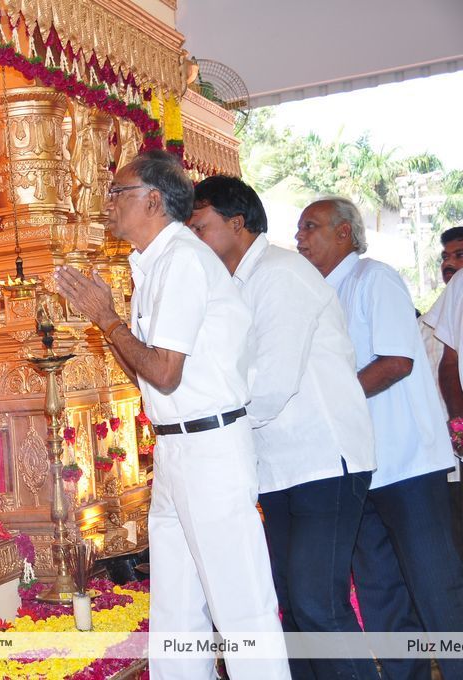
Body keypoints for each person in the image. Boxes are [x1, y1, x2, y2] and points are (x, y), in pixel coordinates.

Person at [55, 151, 290, 680]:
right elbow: (146, 369)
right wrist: (110, 323)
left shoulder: (183, 259)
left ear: (153, 199)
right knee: (177, 606)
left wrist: (106, 318)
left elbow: (164, 373)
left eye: (118, 192)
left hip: (210, 447)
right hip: (177, 446)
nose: (108, 202)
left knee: (240, 603)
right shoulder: (154, 263)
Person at [188, 176, 377, 680]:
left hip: (322, 459)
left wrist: (216, 435)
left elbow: (270, 381)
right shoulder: (232, 287)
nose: (193, 237)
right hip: (276, 468)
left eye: (199, 224)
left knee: (319, 605)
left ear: (237, 222)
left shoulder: (280, 272)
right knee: (291, 608)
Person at [297, 198, 463, 679]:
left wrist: (330, 401)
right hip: (355, 469)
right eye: (299, 228)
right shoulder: (316, 294)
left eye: (311, 226)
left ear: (345, 233)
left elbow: (396, 361)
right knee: (380, 592)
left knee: (437, 589)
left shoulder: (374, 279)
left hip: (407, 463)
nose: (300, 237)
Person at [420, 227, 463, 549]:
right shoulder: (424, 324)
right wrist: (458, 427)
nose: (449, 264)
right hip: (446, 456)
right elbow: (447, 370)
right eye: (445, 257)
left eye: (458, 256)